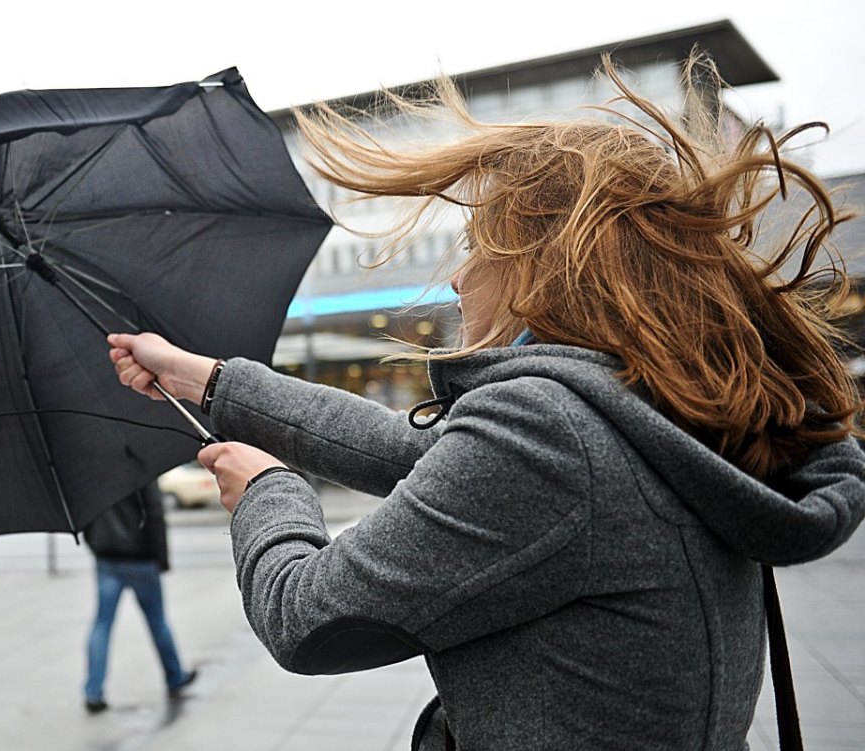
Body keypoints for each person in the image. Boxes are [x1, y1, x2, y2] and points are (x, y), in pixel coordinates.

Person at [107, 55, 865, 749]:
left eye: (479, 243)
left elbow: (308, 618)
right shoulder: (653, 404)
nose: (461, 276)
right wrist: (202, 377)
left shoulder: (552, 433)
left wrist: (268, 495)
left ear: (546, 264)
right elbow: (406, 450)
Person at [81, 481, 197, 713]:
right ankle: (175, 677)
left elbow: (83, 513)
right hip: (140, 557)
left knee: (102, 624)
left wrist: (95, 544)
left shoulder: (93, 467)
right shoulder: (138, 461)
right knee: (157, 621)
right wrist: (161, 558)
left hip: (107, 557)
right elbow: (154, 512)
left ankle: (93, 692)